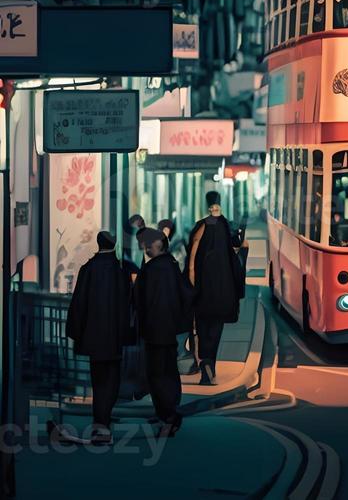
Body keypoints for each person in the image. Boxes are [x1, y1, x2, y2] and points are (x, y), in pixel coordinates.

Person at [67, 231, 133, 444]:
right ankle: (104, 419)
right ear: (114, 245)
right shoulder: (120, 270)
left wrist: (76, 330)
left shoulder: (88, 269)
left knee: (98, 377)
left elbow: (79, 302)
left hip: (94, 334)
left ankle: (100, 420)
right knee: (112, 377)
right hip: (115, 333)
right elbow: (129, 304)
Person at [132, 228, 191, 434]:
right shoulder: (171, 264)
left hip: (155, 329)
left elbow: (141, 300)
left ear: (160, 244)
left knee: (157, 374)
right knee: (168, 371)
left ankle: (168, 417)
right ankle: (169, 413)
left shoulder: (154, 269)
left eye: (150, 244)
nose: (146, 248)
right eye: (145, 244)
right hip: (169, 329)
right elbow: (185, 295)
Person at [186, 190, 244, 385]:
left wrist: (192, 283)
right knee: (216, 331)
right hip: (224, 289)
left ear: (207, 204)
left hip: (203, 289)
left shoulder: (201, 226)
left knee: (202, 330)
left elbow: (192, 258)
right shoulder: (227, 225)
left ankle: (205, 366)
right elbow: (238, 250)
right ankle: (211, 365)